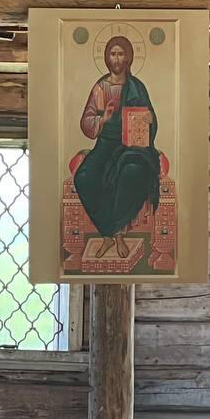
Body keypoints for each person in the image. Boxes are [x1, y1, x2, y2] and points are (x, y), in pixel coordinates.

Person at [73, 34, 161, 260]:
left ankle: (118, 234)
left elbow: (150, 119)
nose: (117, 58)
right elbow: (86, 122)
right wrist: (103, 118)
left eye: (121, 54)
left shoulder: (136, 87)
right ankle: (108, 234)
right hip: (105, 145)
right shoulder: (101, 88)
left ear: (128, 57)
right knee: (84, 177)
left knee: (131, 172)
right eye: (113, 54)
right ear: (106, 58)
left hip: (132, 146)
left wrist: (150, 119)